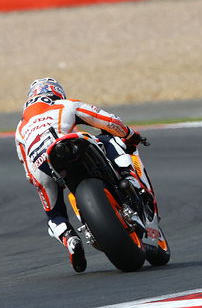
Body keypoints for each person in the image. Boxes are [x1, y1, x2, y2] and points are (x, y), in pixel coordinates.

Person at [15, 78, 148, 272]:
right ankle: (129, 179)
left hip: (41, 164)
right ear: (56, 92)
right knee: (108, 138)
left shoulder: (20, 128)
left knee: (54, 215)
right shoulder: (66, 104)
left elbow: (27, 169)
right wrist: (129, 135)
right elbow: (108, 121)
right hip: (72, 143)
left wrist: (41, 180)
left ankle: (70, 239)